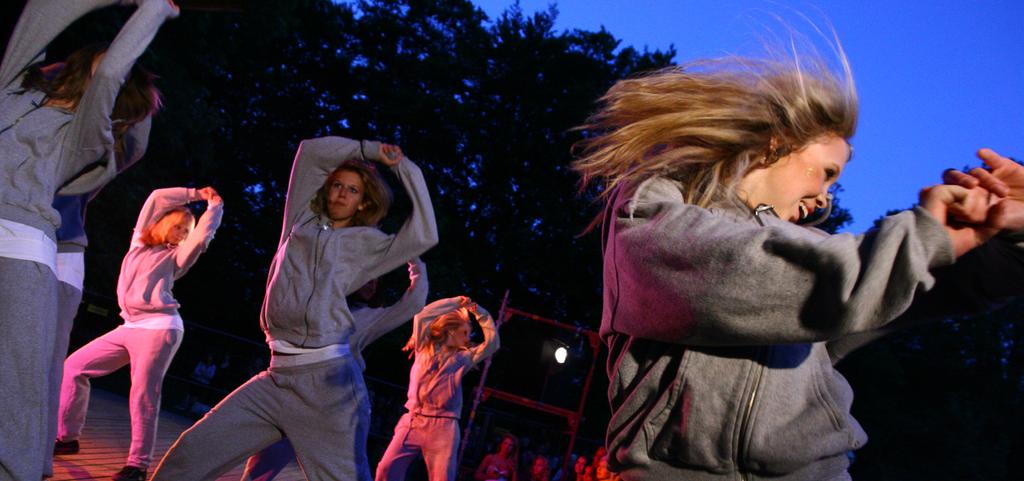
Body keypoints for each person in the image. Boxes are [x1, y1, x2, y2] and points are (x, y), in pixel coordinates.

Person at [572, 50, 1024, 481]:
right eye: (826, 172)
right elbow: (745, 274)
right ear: (776, 144)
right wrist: (923, 236)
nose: (825, 198)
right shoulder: (651, 215)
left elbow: (939, 285)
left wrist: (1007, 231)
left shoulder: (814, 253)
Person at [150, 137, 438, 481]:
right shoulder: (300, 219)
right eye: (337, 186)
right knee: (192, 452)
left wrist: (402, 167)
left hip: (327, 389)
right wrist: (369, 150)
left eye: (353, 190)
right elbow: (309, 153)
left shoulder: (369, 244)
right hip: (276, 377)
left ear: (364, 202)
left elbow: (424, 234)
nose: (342, 194)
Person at [0, 1, 176, 478]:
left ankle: (27, 467)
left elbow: (112, 75)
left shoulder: (88, 137)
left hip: (24, 253)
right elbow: (39, 13)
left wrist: (154, 10)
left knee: (25, 380)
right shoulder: (14, 90)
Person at [54, 187, 222, 481]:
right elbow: (156, 198)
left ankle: (138, 465)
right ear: (162, 223)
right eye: (178, 226)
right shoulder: (139, 244)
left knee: (143, 394)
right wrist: (194, 193)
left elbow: (200, 239)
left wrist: (214, 207)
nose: (182, 233)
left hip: (160, 327)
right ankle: (67, 438)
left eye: (186, 230)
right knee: (74, 368)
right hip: (129, 325)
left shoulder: (177, 257)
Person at [239, 258, 429, 481]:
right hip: (298, 393)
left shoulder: (371, 316)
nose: (371, 285)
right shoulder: (321, 303)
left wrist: (413, 259)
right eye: (366, 279)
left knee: (348, 470)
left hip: (337, 404)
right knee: (264, 462)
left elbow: (414, 302)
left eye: (375, 281)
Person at [374, 296, 501, 481]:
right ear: (450, 331)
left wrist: (475, 309)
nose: (467, 339)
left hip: (444, 427)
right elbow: (422, 316)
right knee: (386, 470)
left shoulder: (463, 358)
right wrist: (457, 302)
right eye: (464, 333)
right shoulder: (423, 345)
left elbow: (493, 343)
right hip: (413, 420)